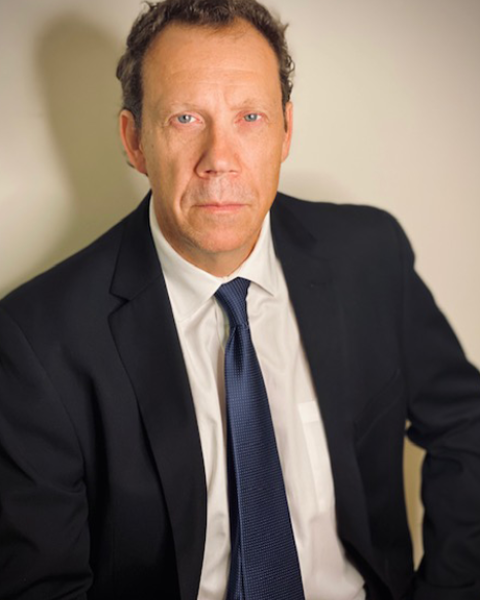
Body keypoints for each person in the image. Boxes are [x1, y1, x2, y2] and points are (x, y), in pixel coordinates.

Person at [1, 0, 479, 598]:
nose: (219, 159)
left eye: (250, 117)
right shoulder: (36, 340)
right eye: (184, 119)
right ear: (134, 141)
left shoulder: (370, 256)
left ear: (286, 132)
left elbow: (467, 423)